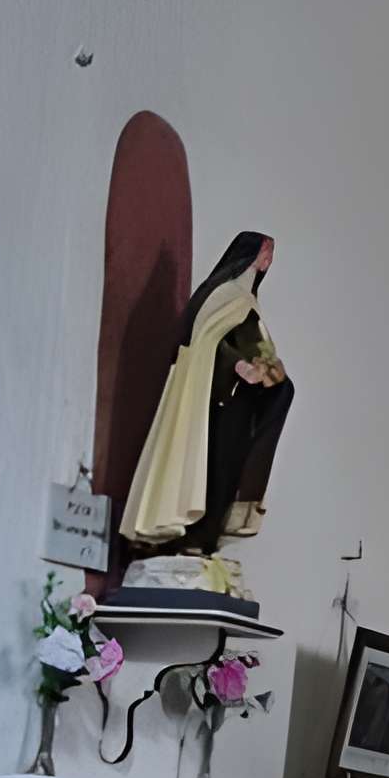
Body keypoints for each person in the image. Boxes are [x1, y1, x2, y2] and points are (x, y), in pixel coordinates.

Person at [118, 232, 294, 554]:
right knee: (206, 468)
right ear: (249, 254)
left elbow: (262, 353)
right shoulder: (223, 296)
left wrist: (272, 377)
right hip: (212, 405)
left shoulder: (249, 304)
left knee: (226, 474)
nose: (269, 259)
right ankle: (189, 538)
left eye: (271, 254)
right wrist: (237, 365)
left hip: (241, 404)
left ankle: (205, 540)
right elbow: (207, 342)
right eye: (265, 251)